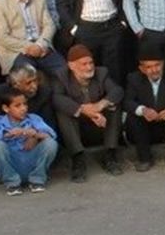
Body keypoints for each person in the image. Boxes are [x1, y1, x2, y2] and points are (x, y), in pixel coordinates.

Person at [52, 44, 124, 181]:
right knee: (65, 111)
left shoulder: (101, 73)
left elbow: (117, 91)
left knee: (113, 106)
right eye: (84, 64)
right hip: (78, 128)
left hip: (100, 125)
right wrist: (84, 110)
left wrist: (100, 105)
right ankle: (77, 158)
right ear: (71, 66)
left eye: (91, 63)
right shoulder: (61, 76)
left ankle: (110, 154)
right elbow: (57, 99)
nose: (89, 67)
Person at [123, 42, 165, 172]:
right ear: (142, 69)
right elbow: (127, 102)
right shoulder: (133, 79)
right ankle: (144, 158)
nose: (154, 70)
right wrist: (143, 110)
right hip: (144, 128)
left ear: (163, 64)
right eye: (149, 67)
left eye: (157, 65)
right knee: (134, 116)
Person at [0, 88, 59, 195]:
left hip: (31, 161)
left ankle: (37, 179)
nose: (23, 108)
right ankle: (12, 182)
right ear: (6, 108)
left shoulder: (33, 119)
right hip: (12, 163)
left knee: (50, 143)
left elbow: (51, 134)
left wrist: (31, 134)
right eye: (17, 105)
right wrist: (10, 133)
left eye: (25, 104)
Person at [0, 64, 55, 132]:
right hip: (7, 134)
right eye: (28, 83)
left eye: (35, 80)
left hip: (35, 134)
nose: (34, 86)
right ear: (16, 85)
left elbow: (48, 125)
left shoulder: (44, 93)